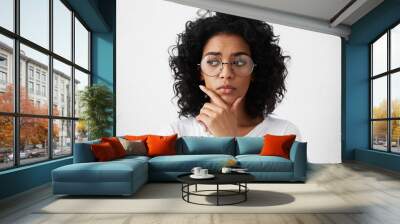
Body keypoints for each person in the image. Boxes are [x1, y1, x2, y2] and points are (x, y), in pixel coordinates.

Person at [165, 11, 301, 141]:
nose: (226, 74)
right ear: (199, 70)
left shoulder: (283, 133)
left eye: (240, 62)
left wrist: (228, 139)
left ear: (255, 70)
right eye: (213, 62)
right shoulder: (177, 133)